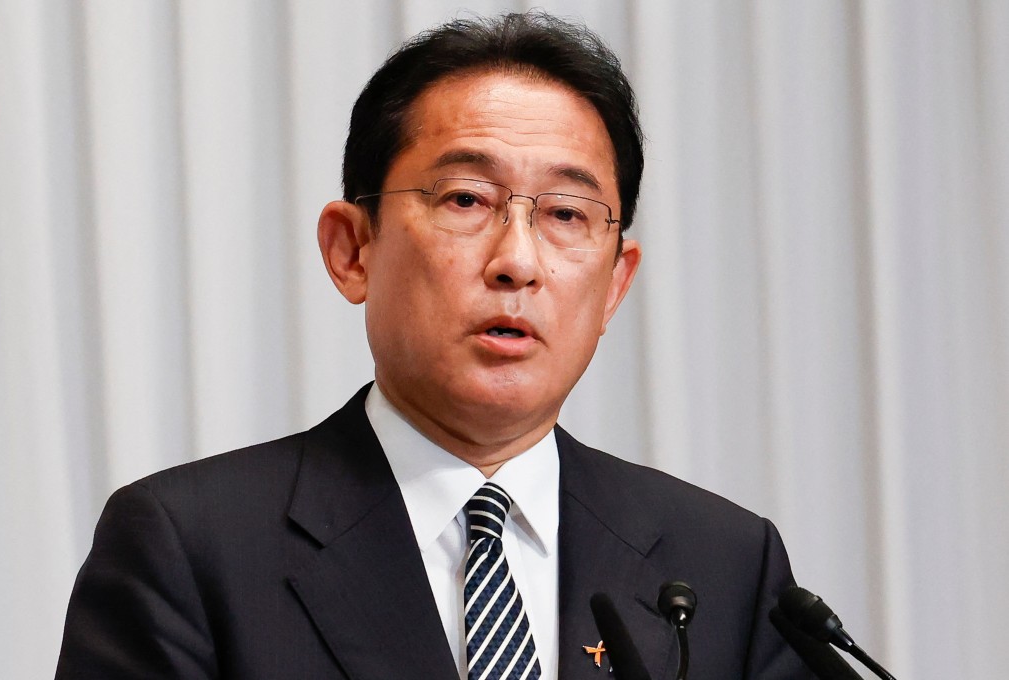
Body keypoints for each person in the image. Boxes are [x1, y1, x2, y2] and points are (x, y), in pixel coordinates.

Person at [56, 12, 815, 679]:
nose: (517, 261)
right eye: (466, 199)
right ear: (353, 250)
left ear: (615, 284)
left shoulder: (725, 565)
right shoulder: (190, 550)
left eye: (566, 213)